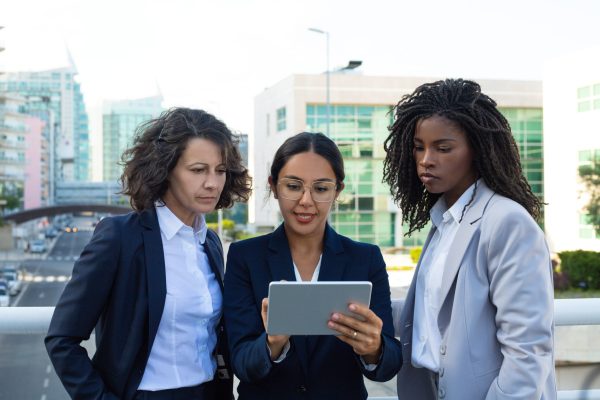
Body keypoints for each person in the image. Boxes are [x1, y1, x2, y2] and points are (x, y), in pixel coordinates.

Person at [45, 108, 252, 400]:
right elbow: (62, 339)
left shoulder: (210, 242)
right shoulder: (120, 238)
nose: (212, 183)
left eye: (220, 171)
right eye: (198, 170)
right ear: (165, 169)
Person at [383, 79, 556, 399]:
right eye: (419, 146)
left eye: (443, 148)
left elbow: (528, 351)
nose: (426, 160)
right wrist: (354, 299)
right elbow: (428, 313)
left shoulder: (506, 222)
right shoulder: (444, 221)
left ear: (477, 149)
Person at [223, 132, 403, 400]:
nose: (306, 201)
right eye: (293, 186)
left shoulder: (365, 259)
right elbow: (243, 364)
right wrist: (272, 342)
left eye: (320, 188)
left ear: (337, 191)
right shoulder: (244, 257)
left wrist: (374, 348)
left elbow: (388, 366)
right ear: (274, 186)